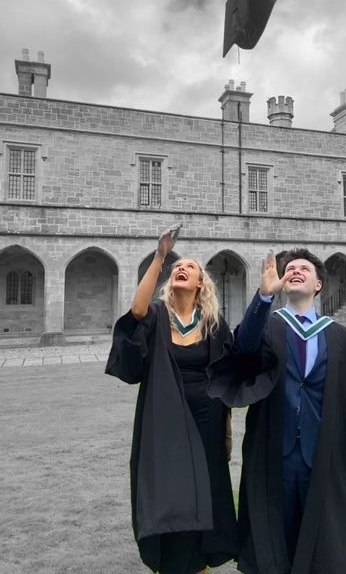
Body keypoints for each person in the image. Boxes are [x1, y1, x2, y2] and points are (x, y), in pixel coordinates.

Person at [207, 248, 346, 574]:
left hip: (325, 454)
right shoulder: (269, 327)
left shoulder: (339, 336)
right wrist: (263, 297)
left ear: (319, 285)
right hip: (273, 452)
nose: (296, 271)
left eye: (305, 268)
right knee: (270, 540)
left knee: (322, 540)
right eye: (291, 268)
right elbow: (243, 347)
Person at [105, 225, 238, 574]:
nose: (183, 269)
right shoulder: (156, 317)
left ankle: (200, 563)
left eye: (191, 268)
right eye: (180, 267)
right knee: (171, 488)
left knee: (204, 488)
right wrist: (161, 256)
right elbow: (136, 311)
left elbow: (226, 376)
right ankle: (174, 561)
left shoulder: (212, 323)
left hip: (207, 418)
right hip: (165, 418)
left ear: (200, 285)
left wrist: (226, 429)